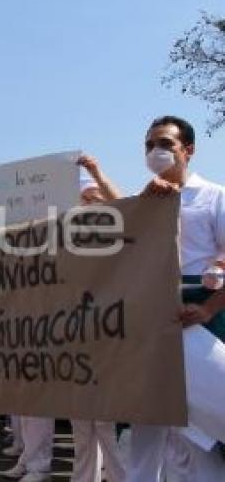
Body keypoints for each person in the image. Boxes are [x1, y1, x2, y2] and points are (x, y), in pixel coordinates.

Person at [128, 116, 225, 481]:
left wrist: (208, 308)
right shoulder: (144, 200)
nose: (156, 151)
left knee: (202, 433)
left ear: (189, 150)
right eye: (150, 144)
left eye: (166, 144)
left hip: (197, 318)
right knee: (147, 425)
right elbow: (122, 254)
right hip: (151, 320)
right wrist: (142, 204)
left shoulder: (214, 196)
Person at [69, 156, 126, 482]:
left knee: (107, 424)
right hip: (74, 341)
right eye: (84, 200)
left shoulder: (122, 239)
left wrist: (95, 173)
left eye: (95, 199)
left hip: (110, 340)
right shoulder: (68, 240)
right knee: (81, 426)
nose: (90, 204)